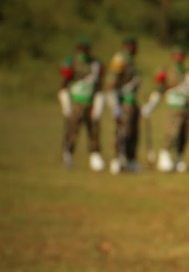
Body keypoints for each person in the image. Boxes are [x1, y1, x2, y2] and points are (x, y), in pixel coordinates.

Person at [141, 47, 189, 172]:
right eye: (177, 55)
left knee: (184, 134)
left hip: (186, 107)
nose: (179, 57)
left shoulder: (188, 73)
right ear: (173, 56)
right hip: (173, 107)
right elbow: (159, 89)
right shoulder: (167, 71)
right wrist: (151, 105)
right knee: (172, 133)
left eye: (181, 55)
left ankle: (179, 159)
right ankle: (164, 156)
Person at [58, 36, 105, 171]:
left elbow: (98, 86)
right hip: (76, 102)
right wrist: (66, 104)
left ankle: (95, 155)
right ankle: (68, 154)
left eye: (87, 48)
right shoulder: (71, 63)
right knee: (72, 130)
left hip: (90, 102)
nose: (85, 50)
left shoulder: (95, 64)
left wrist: (99, 102)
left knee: (94, 130)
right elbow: (64, 85)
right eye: (82, 48)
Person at [107, 36, 142, 174]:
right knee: (121, 132)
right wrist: (115, 104)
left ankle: (130, 160)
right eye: (131, 45)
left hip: (132, 101)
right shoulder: (120, 60)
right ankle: (117, 160)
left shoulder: (132, 61)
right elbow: (112, 83)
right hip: (122, 102)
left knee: (133, 132)